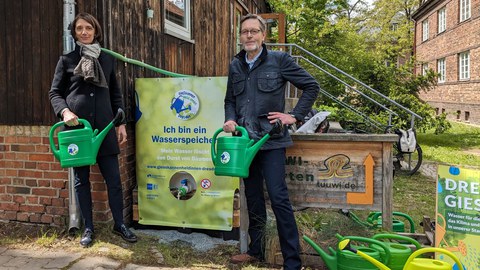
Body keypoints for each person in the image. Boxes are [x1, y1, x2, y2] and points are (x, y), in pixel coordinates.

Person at [223, 14, 320, 270]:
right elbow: (230, 100)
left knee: (278, 199)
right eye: (245, 31)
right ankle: (255, 250)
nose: (249, 36)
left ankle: (292, 261)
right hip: (244, 144)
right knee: (252, 197)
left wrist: (294, 116)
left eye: (254, 31)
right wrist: (230, 120)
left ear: (263, 35)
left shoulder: (279, 60)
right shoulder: (235, 64)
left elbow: (311, 86)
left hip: (271, 141)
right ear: (240, 35)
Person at [49, 12, 137, 247]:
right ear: (74, 32)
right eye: (80, 28)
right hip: (77, 130)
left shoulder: (107, 59)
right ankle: (88, 227)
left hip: (105, 128)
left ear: (96, 31)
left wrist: (120, 123)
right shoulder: (66, 60)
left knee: (114, 180)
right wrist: (65, 112)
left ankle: (120, 224)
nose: (84, 32)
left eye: (88, 28)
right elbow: (55, 93)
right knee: (81, 180)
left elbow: (115, 94)